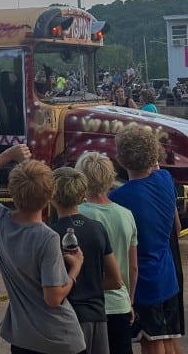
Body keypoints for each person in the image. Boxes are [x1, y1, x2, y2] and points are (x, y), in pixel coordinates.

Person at [0, 144, 86, 354]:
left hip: (23, 339)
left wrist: (8, 155)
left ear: (12, 192)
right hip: (60, 340)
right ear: (50, 196)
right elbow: (54, 298)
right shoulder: (48, 238)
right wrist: (76, 269)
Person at [110, 125, 181, 353]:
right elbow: (176, 227)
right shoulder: (165, 178)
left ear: (121, 158)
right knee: (168, 338)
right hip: (168, 276)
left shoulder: (119, 197)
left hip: (144, 282)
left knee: (150, 342)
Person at [51, 167, 122, 354]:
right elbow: (116, 280)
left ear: (51, 196)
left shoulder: (50, 234)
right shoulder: (97, 228)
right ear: (83, 193)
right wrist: (91, 283)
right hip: (98, 317)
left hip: (68, 319)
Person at [76, 152, 138, 354]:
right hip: (119, 304)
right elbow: (133, 267)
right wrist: (129, 300)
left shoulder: (78, 215)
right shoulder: (126, 215)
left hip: (86, 306)